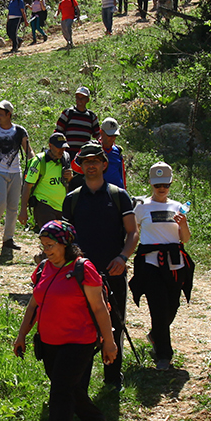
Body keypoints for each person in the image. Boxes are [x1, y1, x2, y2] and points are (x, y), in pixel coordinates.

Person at [12, 220, 116, 421]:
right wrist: (21, 335)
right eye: (43, 245)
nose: (46, 250)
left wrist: (109, 343)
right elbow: (34, 304)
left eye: (50, 245)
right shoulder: (43, 269)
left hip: (78, 341)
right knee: (69, 389)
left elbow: (99, 308)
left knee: (59, 392)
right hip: (48, 341)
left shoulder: (83, 269)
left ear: (65, 244)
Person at [60, 144, 139, 389]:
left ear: (104, 164)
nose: (91, 165)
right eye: (86, 162)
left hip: (112, 271)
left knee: (114, 326)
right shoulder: (72, 199)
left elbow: (133, 232)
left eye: (95, 161)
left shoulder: (118, 195)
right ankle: (79, 380)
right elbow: (65, 239)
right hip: (81, 275)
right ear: (80, 167)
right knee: (80, 328)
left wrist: (123, 258)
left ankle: (113, 379)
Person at [130, 162, 193, 371]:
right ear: (151, 183)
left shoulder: (177, 207)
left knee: (172, 306)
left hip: (174, 264)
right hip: (151, 264)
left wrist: (183, 224)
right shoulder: (141, 207)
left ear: (171, 183)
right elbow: (132, 231)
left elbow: (185, 238)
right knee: (157, 307)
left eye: (165, 184)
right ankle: (164, 355)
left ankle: (156, 334)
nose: (162, 188)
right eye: (158, 185)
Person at [0, 99, 31, 253]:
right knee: (0, 202)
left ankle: (8, 238)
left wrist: (34, 164)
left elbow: (28, 150)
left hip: (16, 172)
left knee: (13, 207)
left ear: (9, 115)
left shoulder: (20, 131)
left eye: (0, 114)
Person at [19, 132, 70, 233]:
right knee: (51, 238)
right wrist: (23, 210)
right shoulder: (39, 161)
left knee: (61, 242)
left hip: (62, 207)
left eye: (64, 147)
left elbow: (67, 183)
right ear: (50, 146)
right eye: (59, 147)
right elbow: (27, 186)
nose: (62, 150)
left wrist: (70, 178)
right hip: (44, 207)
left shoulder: (65, 158)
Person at [55, 86, 100, 171]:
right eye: (77, 98)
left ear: (87, 100)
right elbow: (57, 133)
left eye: (82, 98)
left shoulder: (91, 117)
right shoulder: (68, 113)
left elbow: (98, 135)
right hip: (68, 154)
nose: (79, 100)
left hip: (84, 155)